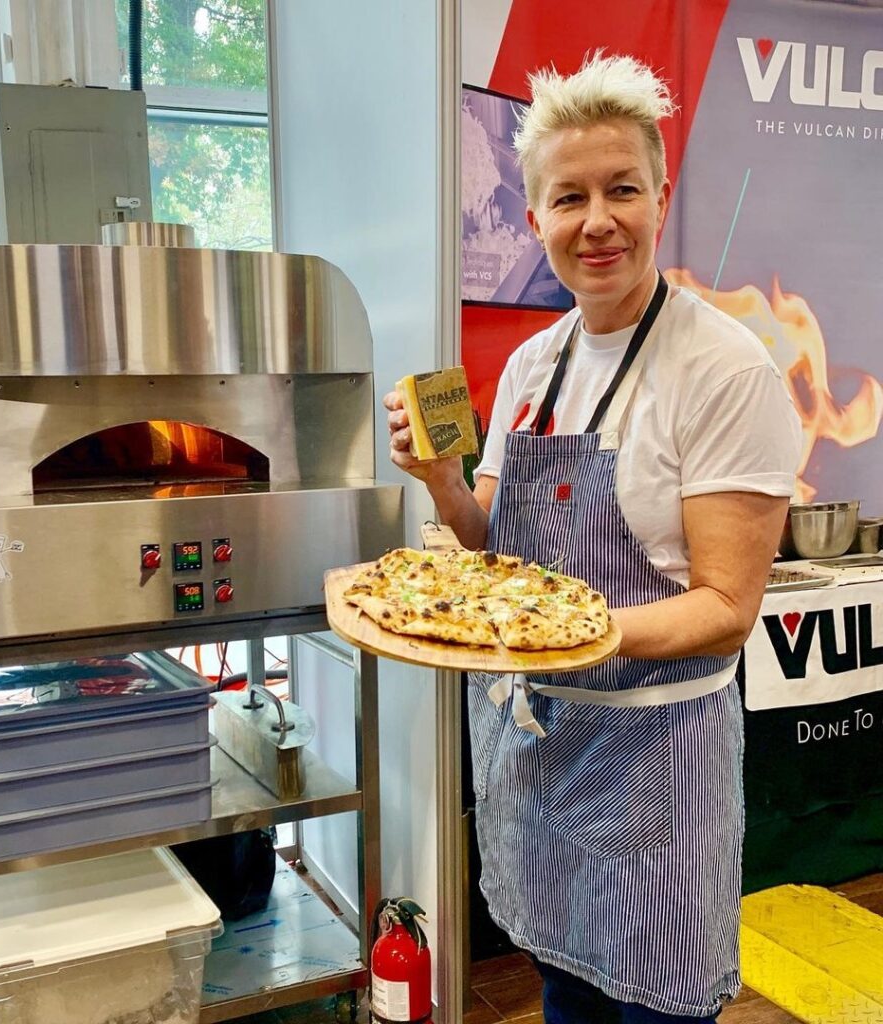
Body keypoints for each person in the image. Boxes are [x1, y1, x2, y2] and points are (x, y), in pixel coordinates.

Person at [385, 53, 803, 1023]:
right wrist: (441, 483)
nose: (598, 220)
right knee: (565, 995)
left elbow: (725, 609)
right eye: (569, 197)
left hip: (653, 769)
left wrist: (560, 634)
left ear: (661, 197)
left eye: (622, 189)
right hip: (538, 761)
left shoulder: (724, 372)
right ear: (536, 219)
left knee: (660, 1004)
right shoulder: (533, 365)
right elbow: (494, 549)